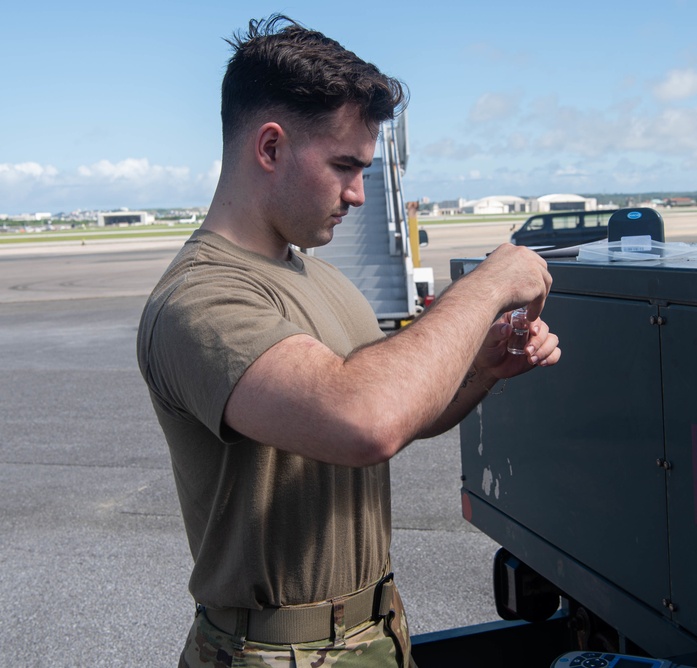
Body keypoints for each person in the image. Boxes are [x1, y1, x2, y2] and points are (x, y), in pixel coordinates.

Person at [136, 14, 561, 668]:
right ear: (270, 148)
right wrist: (487, 284)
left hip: (376, 631)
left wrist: (481, 369)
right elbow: (365, 420)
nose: (359, 193)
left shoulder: (323, 280)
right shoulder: (201, 298)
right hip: (272, 651)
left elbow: (399, 415)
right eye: (343, 165)